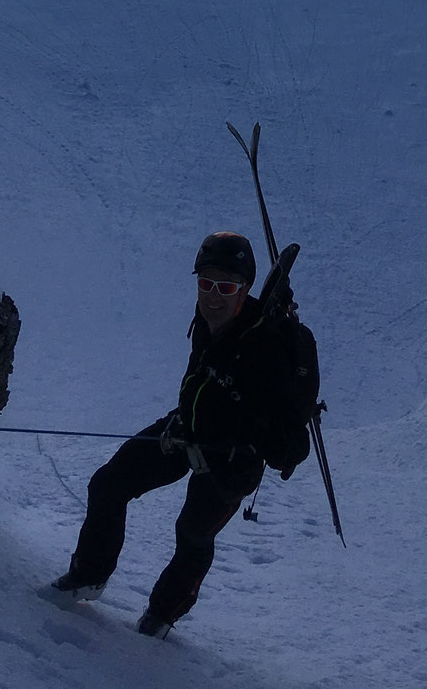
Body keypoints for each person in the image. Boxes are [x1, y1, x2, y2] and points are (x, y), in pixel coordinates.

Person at [53, 230, 317, 637]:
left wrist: (236, 435)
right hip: (185, 429)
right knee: (109, 483)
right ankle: (88, 576)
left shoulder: (265, 346)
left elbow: (287, 443)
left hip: (232, 462)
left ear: (245, 289)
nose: (213, 295)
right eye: (205, 282)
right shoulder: (207, 322)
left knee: (193, 533)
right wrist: (186, 427)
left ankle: (163, 615)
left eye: (226, 286)